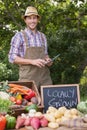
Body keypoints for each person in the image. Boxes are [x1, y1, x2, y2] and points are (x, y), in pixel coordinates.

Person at [8, 6, 52, 91]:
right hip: (28, 79)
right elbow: (12, 58)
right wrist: (32, 61)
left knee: (49, 103)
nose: (32, 21)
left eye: (34, 18)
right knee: (29, 103)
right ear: (25, 20)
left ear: (38, 20)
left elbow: (45, 55)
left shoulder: (43, 37)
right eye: (29, 18)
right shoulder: (19, 36)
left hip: (45, 79)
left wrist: (48, 60)